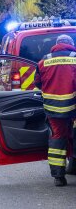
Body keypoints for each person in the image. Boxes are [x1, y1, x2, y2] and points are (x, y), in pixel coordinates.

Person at [34, 34, 76, 187]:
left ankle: (58, 177)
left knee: (58, 137)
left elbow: (37, 82)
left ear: (57, 44)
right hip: (73, 107)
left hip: (53, 108)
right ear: (71, 44)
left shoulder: (43, 61)